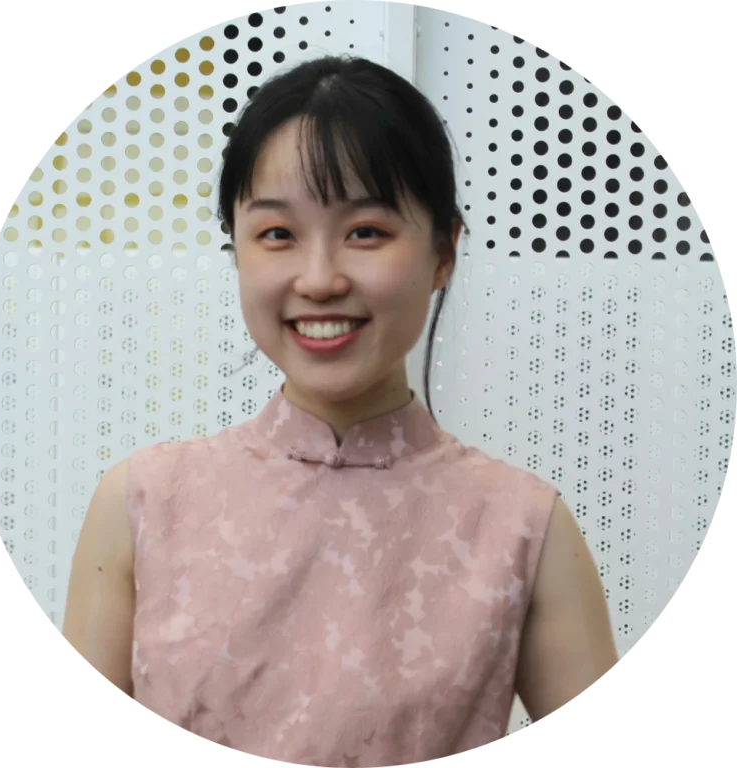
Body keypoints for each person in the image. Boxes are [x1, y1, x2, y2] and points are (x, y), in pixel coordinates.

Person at [63, 54, 619, 766]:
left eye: (366, 232)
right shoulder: (141, 504)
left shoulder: (522, 528)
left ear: (444, 251)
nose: (319, 279)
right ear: (238, 251)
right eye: (277, 235)